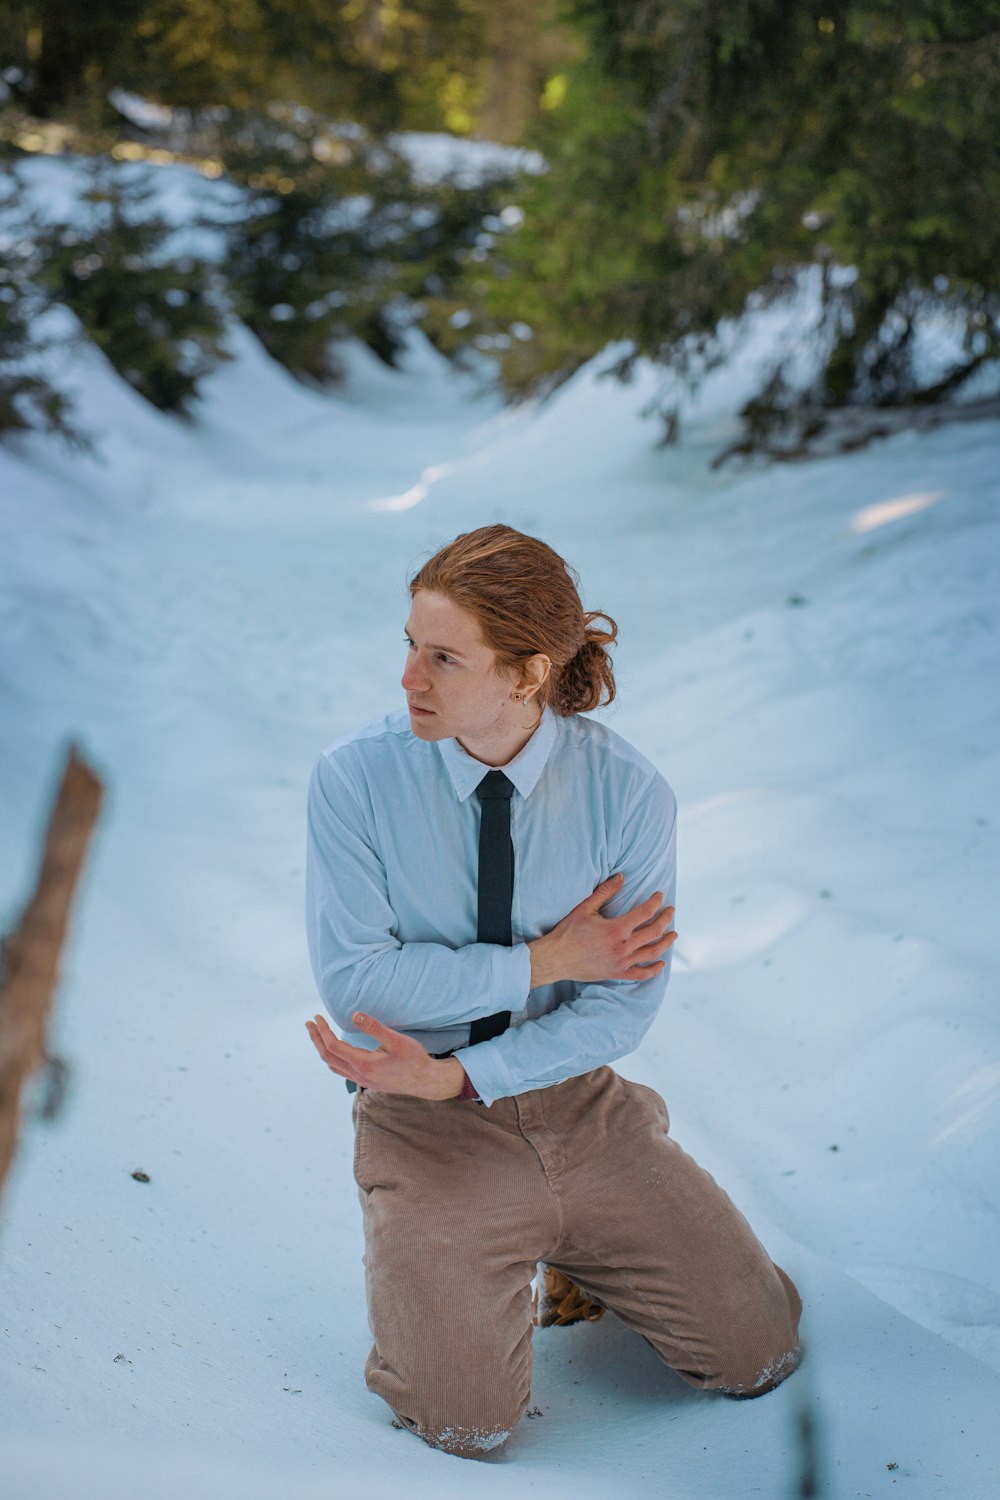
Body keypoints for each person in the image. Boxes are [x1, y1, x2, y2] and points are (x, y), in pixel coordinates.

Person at [304, 524, 802, 1459]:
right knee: (467, 1422)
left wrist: (473, 1069)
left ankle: (590, 1249)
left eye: (443, 658)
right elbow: (362, 986)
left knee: (757, 1353)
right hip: (420, 1118)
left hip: (580, 1108)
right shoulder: (354, 781)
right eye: (409, 646)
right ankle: (465, 1271)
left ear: (527, 674)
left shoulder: (628, 794)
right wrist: (548, 960)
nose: (410, 678)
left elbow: (623, 1006)